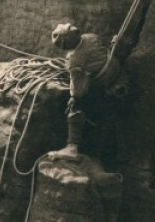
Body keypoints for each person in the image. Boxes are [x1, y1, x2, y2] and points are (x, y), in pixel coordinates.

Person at [48, 22, 122, 159]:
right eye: (69, 27)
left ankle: (72, 147)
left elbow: (78, 90)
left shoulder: (75, 61)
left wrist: (73, 98)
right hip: (117, 67)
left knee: (75, 105)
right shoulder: (90, 37)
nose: (69, 24)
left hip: (105, 80)